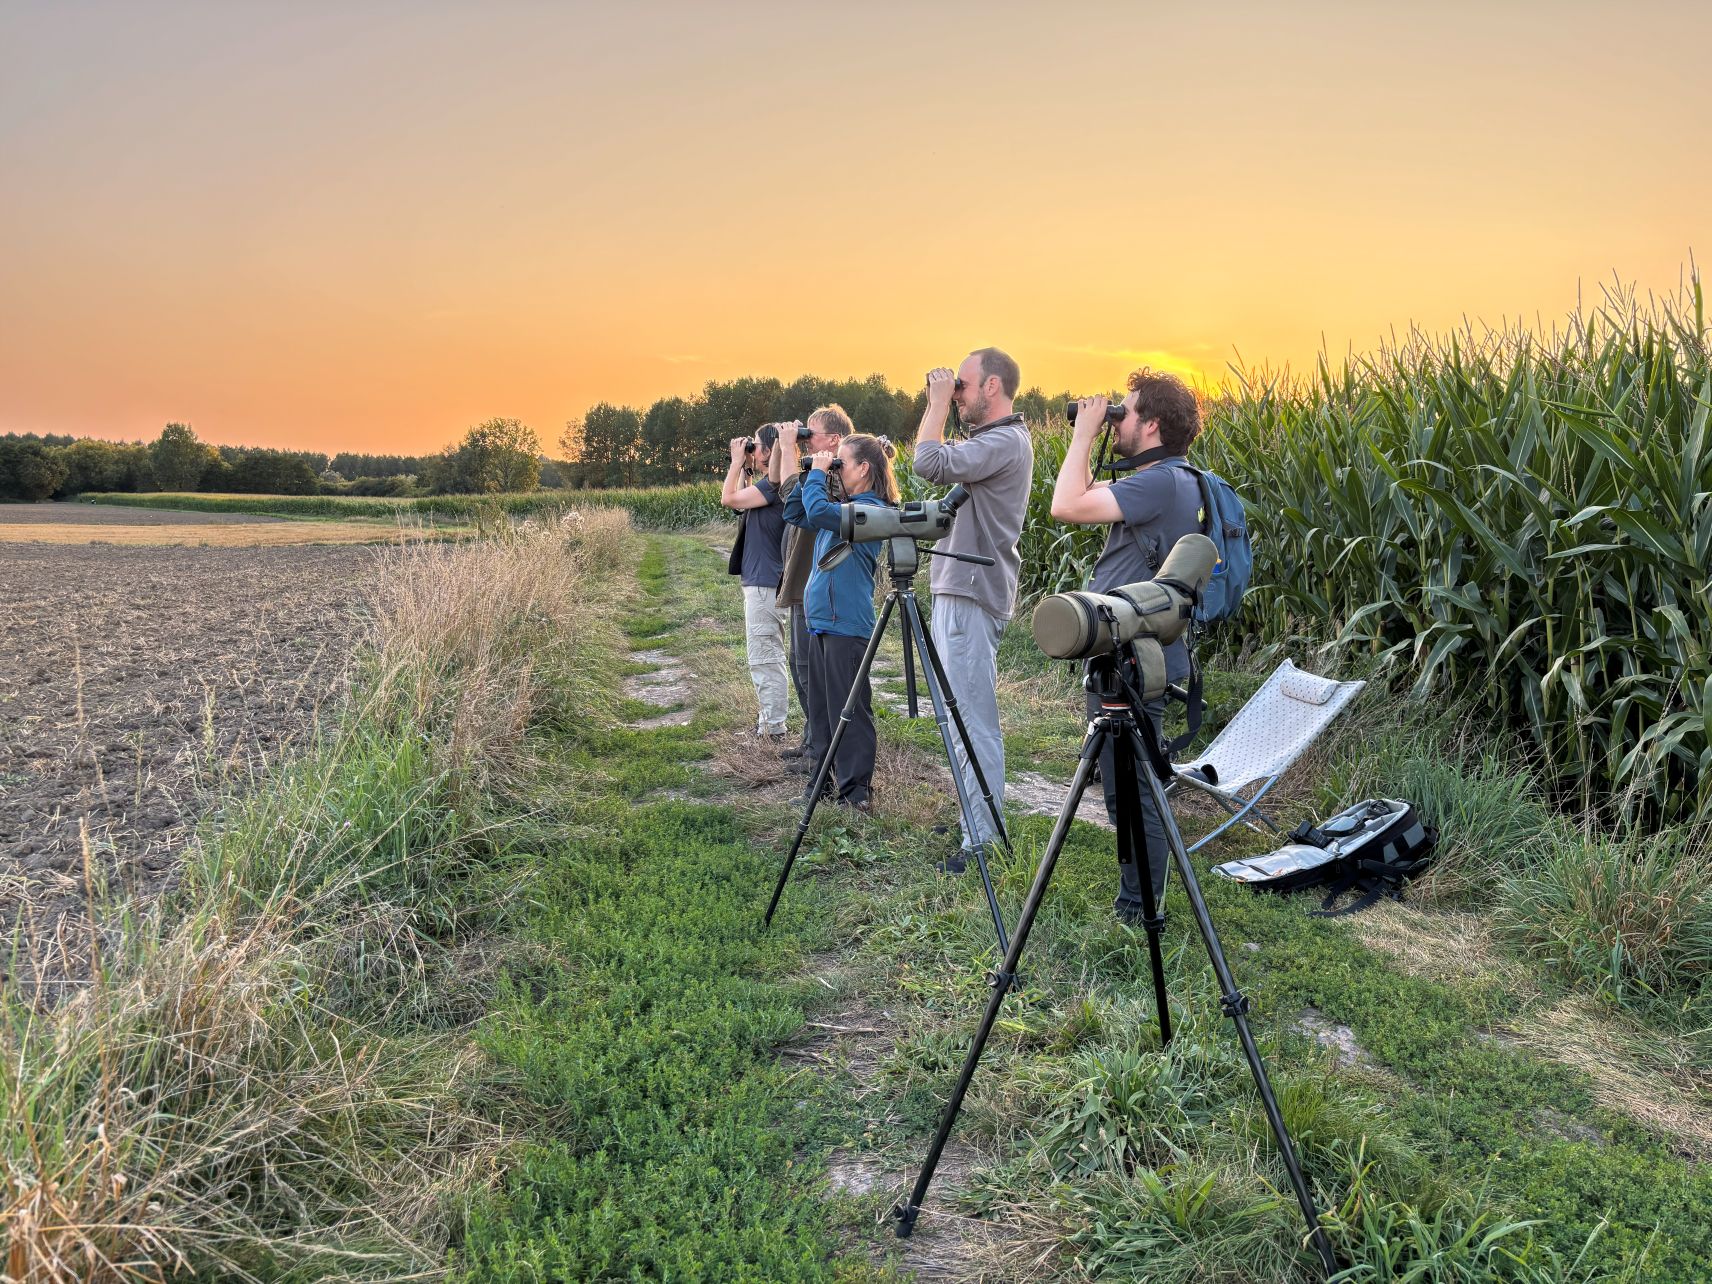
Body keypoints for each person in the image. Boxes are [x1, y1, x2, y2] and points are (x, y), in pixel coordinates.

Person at [1049, 367, 1203, 920]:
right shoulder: (1169, 480)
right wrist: (1094, 437)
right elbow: (1086, 494)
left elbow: (1064, 505)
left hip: (1136, 655)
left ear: (1153, 425)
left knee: (1134, 790)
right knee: (1124, 786)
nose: (1118, 419)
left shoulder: (1162, 482)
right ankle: (1135, 895)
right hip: (1129, 653)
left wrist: (1083, 433)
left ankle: (1142, 906)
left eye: (1126, 412)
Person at [913, 348, 1034, 872]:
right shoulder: (991, 442)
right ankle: (972, 818)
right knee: (959, 714)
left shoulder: (1005, 441)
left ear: (992, 386)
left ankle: (983, 841)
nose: (956, 392)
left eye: (962, 384)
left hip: (970, 591)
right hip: (959, 587)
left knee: (973, 720)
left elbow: (928, 463)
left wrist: (937, 405)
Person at [783, 428, 899, 813]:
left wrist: (818, 473)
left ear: (864, 468)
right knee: (820, 711)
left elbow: (817, 511)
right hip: (821, 622)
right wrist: (811, 476)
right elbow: (796, 511)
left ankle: (856, 792)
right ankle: (824, 782)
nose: (835, 470)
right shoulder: (844, 507)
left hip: (846, 624)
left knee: (849, 712)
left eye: (841, 464)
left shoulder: (870, 512)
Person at [771, 406, 849, 772]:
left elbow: (791, 496)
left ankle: (821, 751)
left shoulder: (834, 475)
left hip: (814, 585)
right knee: (798, 666)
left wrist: (790, 447)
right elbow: (778, 482)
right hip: (804, 582)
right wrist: (782, 446)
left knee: (808, 670)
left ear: (834, 440)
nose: (804, 438)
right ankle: (811, 741)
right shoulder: (818, 470)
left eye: (810, 434)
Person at [721, 424, 791, 742]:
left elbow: (728, 498)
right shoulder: (769, 485)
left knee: (765, 656)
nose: (753, 450)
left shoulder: (774, 486)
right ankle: (770, 721)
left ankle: (773, 728)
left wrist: (736, 461)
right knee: (765, 654)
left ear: (770, 450)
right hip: (764, 581)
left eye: (758, 445)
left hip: (765, 584)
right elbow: (739, 503)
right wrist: (745, 467)